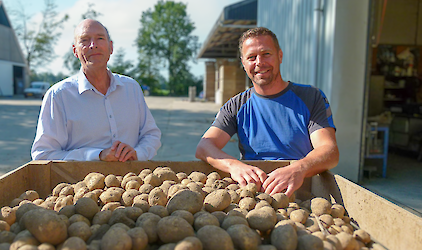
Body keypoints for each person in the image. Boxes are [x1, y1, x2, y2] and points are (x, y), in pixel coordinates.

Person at [195, 27, 339, 197]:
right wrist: (234, 166)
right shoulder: (236, 105)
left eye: (266, 54)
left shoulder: (311, 97)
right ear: (243, 63)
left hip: (300, 192)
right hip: (254, 194)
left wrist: (299, 168)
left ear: (280, 56)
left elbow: (329, 150)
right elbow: (204, 147)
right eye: (251, 57)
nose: (259, 62)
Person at [31, 19, 161, 162]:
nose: (93, 45)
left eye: (100, 38)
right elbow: (43, 154)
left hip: (132, 181)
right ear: (75, 51)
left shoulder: (131, 88)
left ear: (111, 47)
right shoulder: (59, 96)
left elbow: (151, 134)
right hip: (81, 183)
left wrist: (138, 153)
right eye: (85, 40)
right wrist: (97, 156)